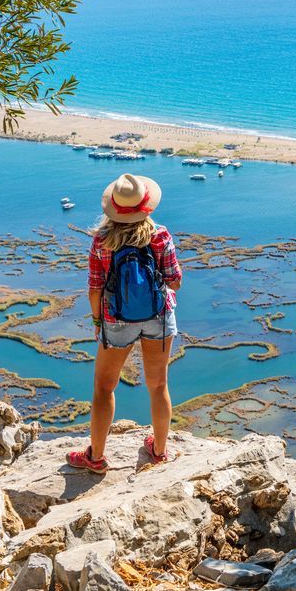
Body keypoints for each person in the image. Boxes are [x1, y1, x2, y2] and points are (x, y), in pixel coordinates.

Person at [67, 173, 182, 473]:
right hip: (158, 316)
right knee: (158, 385)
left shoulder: (101, 241)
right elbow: (175, 281)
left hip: (115, 319)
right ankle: (158, 451)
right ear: (146, 205)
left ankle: (95, 458)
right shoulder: (160, 235)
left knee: (104, 388)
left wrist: (97, 321)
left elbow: (95, 287)